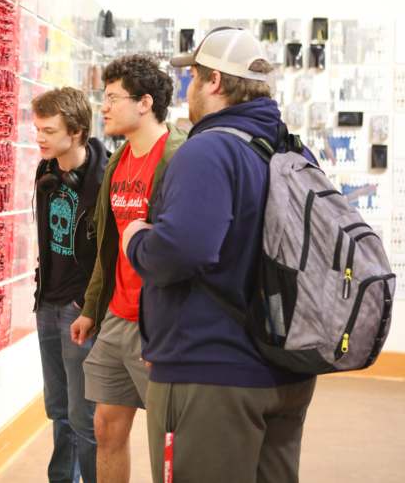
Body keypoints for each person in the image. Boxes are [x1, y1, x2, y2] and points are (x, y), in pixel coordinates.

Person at [122, 27, 317, 483]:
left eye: (192, 76)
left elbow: (181, 250)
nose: (187, 89)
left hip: (209, 373)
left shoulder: (208, 150)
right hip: (285, 370)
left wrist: (136, 239)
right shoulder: (291, 150)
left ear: (213, 82)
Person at [70, 55, 186, 483]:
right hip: (117, 318)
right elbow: (108, 247)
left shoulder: (178, 157)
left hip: (157, 324)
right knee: (106, 427)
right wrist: (93, 308)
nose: (103, 106)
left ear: (145, 103)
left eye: (113, 97)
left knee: (167, 439)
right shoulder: (117, 162)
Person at [33, 87, 109, 483]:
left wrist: (89, 305)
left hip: (81, 310)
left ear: (77, 132)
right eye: (38, 129)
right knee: (58, 409)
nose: (40, 137)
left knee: (84, 416)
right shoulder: (44, 170)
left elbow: (107, 255)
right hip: (47, 304)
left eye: (48, 130)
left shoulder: (104, 179)